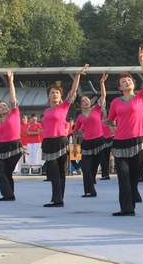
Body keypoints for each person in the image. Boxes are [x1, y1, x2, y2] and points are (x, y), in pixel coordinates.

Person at [107, 47, 143, 216]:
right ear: (120, 87)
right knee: (123, 175)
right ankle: (126, 208)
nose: (127, 82)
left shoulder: (141, 97)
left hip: (139, 142)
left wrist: (142, 61)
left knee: (134, 176)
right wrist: (116, 130)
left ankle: (133, 197)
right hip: (120, 143)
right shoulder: (116, 102)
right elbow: (110, 120)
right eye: (123, 81)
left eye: (129, 80)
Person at [41, 64, 88, 207]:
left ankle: (57, 199)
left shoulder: (63, 106)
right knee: (53, 171)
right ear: (48, 95)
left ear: (61, 96)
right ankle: (58, 198)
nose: (55, 94)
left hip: (60, 141)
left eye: (57, 93)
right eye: (52, 92)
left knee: (59, 171)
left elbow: (73, 92)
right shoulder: (46, 111)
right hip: (48, 142)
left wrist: (77, 76)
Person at [73, 73, 108, 197]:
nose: (86, 101)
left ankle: (92, 182)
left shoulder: (96, 109)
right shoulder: (80, 117)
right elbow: (75, 132)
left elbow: (103, 96)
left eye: (87, 100)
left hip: (99, 141)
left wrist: (102, 83)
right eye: (83, 101)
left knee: (94, 167)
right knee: (85, 167)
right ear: (80, 105)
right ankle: (89, 191)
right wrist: (75, 147)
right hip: (87, 143)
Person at [0, 70, 24, 201]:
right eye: (0, 107)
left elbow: (13, 97)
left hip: (15, 145)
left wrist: (11, 82)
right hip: (3, 146)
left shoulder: (14, 113)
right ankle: (9, 194)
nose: (3, 107)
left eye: (5, 105)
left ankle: (9, 194)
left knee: (7, 171)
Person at [99, 110, 114, 180]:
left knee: (106, 157)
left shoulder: (109, 120)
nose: (103, 113)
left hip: (108, 140)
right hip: (101, 140)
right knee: (102, 158)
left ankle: (106, 174)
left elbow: (113, 129)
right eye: (102, 112)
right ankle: (105, 174)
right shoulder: (98, 120)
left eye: (104, 112)